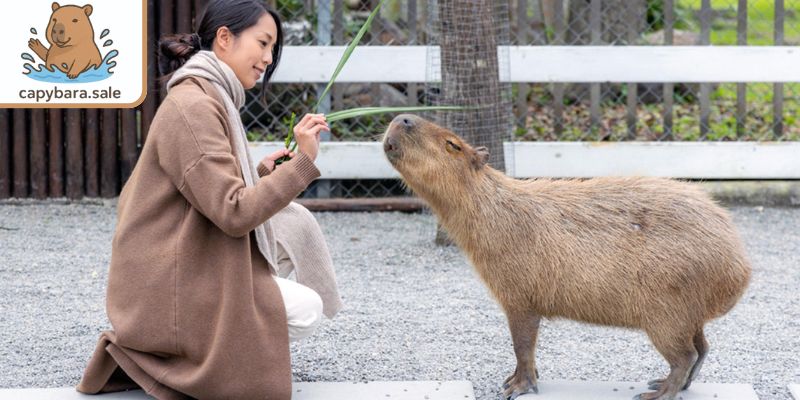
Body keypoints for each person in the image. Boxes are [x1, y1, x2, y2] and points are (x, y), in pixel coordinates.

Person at [76, 1, 342, 398]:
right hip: (163, 288)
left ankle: (230, 336)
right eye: (264, 44)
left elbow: (208, 193)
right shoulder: (195, 106)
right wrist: (302, 165)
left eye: (273, 50)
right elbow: (233, 212)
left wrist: (266, 172)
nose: (268, 59)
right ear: (224, 38)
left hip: (176, 262)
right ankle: (199, 353)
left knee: (288, 229)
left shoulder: (208, 95)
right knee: (305, 311)